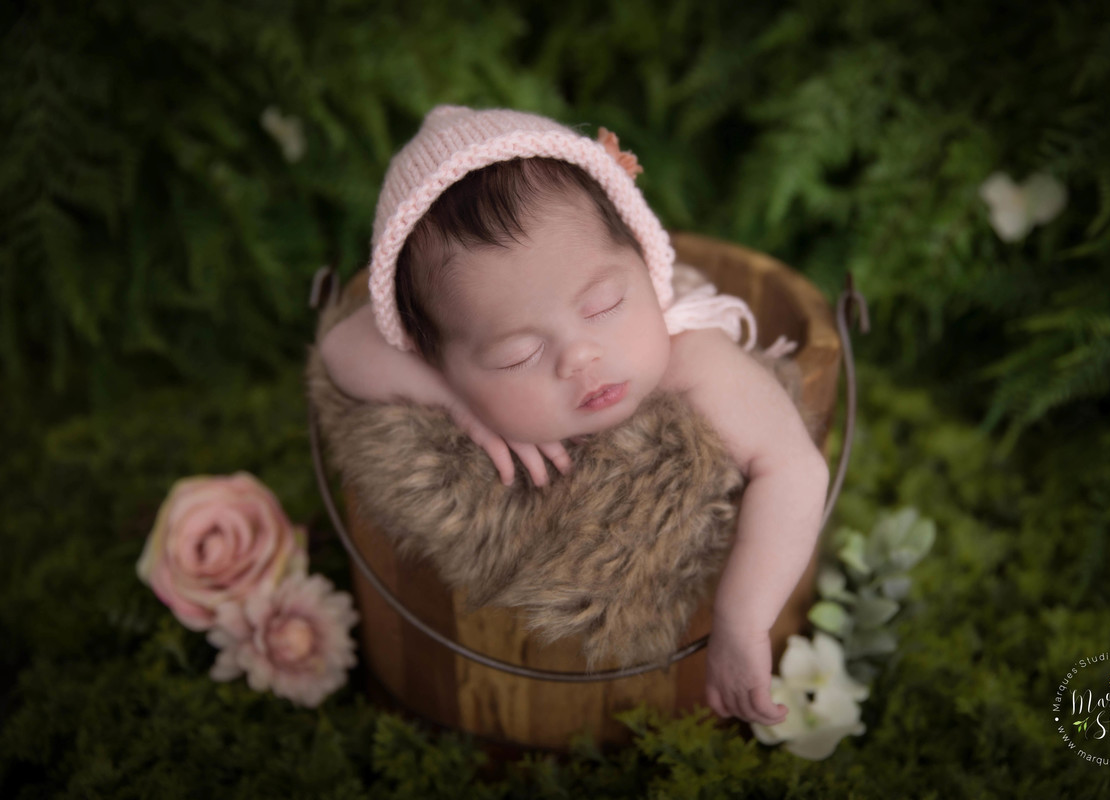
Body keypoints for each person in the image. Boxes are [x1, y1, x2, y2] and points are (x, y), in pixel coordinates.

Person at [319, 106, 829, 727]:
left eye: (605, 304)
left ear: (644, 259)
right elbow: (342, 347)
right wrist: (455, 404)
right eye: (518, 354)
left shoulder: (691, 354)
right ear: (437, 360)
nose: (579, 356)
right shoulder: (446, 360)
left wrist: (742, 619)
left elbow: (795, 467)